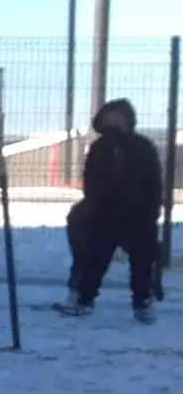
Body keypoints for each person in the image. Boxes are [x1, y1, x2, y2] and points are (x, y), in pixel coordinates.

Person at [57, 99, 166, 324]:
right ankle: (84, 299)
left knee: (143, 261)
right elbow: (91, 181)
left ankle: (142, 302)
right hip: (105, 214)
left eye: (120, 118)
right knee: (95, 259)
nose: (116, 122)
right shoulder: (99, 148)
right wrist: (95, 207)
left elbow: (153, 181)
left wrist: (151, 210)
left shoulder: (142, 146)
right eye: (111, 117)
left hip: (139, 215)